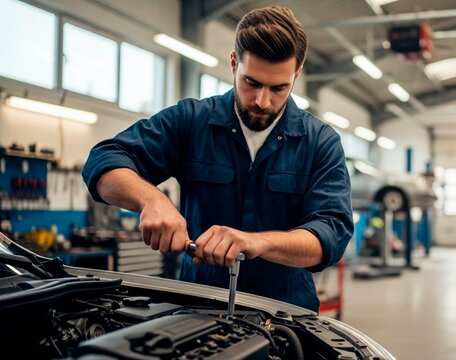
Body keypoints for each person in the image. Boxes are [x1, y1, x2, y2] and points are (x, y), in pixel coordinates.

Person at [81, 6, 353, 311]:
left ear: (297, 74)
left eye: (279, 88)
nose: (263, 101)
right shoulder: (192, 121)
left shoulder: (320, 142)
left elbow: (331, 234)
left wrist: (257, 242)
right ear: (234, 63)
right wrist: (151, 199)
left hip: (286, 313)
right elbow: (103, 161)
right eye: (252, 82)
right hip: (198, 309)